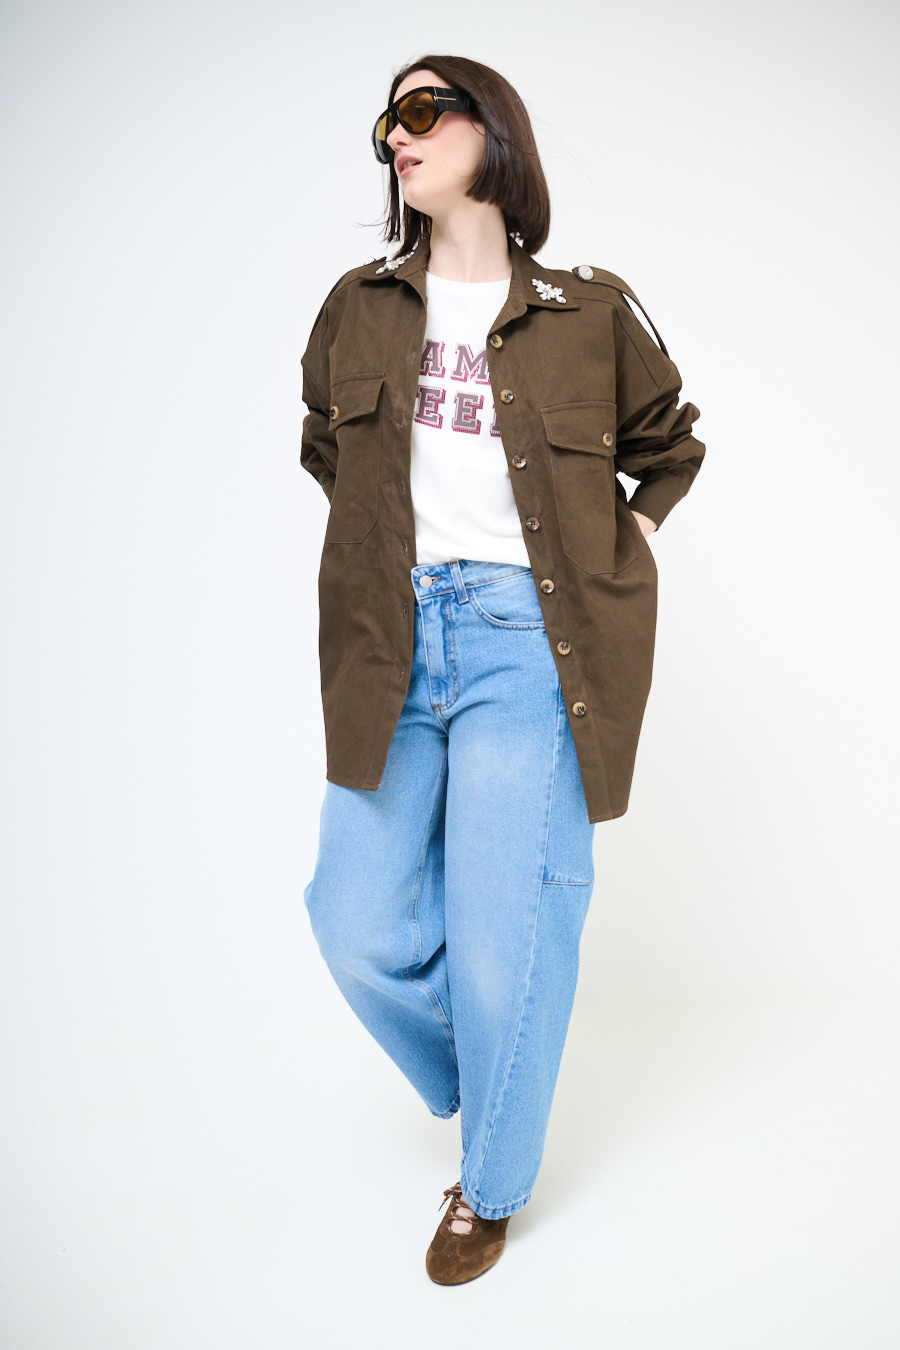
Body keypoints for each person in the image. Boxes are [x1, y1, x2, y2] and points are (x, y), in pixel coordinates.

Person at [299, 55, 705, 1285]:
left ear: (495, 133)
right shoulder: (358, 305)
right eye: (389, 121)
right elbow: (326, 447)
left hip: (530, 641)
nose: (399, 136)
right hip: (394, 632)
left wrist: (626, 538)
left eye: (423, 111)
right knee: (352, 919)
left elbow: (670, 447)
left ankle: (491, 1183)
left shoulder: (589, 310)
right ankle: (498, 1075)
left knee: (502, 934)